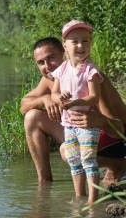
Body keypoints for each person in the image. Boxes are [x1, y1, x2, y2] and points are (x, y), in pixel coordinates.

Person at [20, 36, 126, 186]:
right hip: (84, 131)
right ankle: (44, 184)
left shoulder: (91, 76)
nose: (47, 66)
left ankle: (116, 164)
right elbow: (24, 106)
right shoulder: (51, 79)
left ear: (65, 53)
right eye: (41, 62)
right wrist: (44, 99)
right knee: (32, 117)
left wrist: (100, 120)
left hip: (117, 138)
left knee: (67, 151)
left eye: (51, 58)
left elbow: (119, 129)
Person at [51, 20, 104, 204]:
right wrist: (61, 98)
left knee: (89, 160)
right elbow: (53, 93)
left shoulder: (91, 70)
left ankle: (92, 200)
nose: (81, 45)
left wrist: (75, 102)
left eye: (85, 41)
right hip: (69, 124)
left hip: (87, 124)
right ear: (64, 44)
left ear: (90, 43)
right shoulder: (62, 69)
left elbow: (94, 97)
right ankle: (79, 195)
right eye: (75, 41)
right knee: (74, 161)